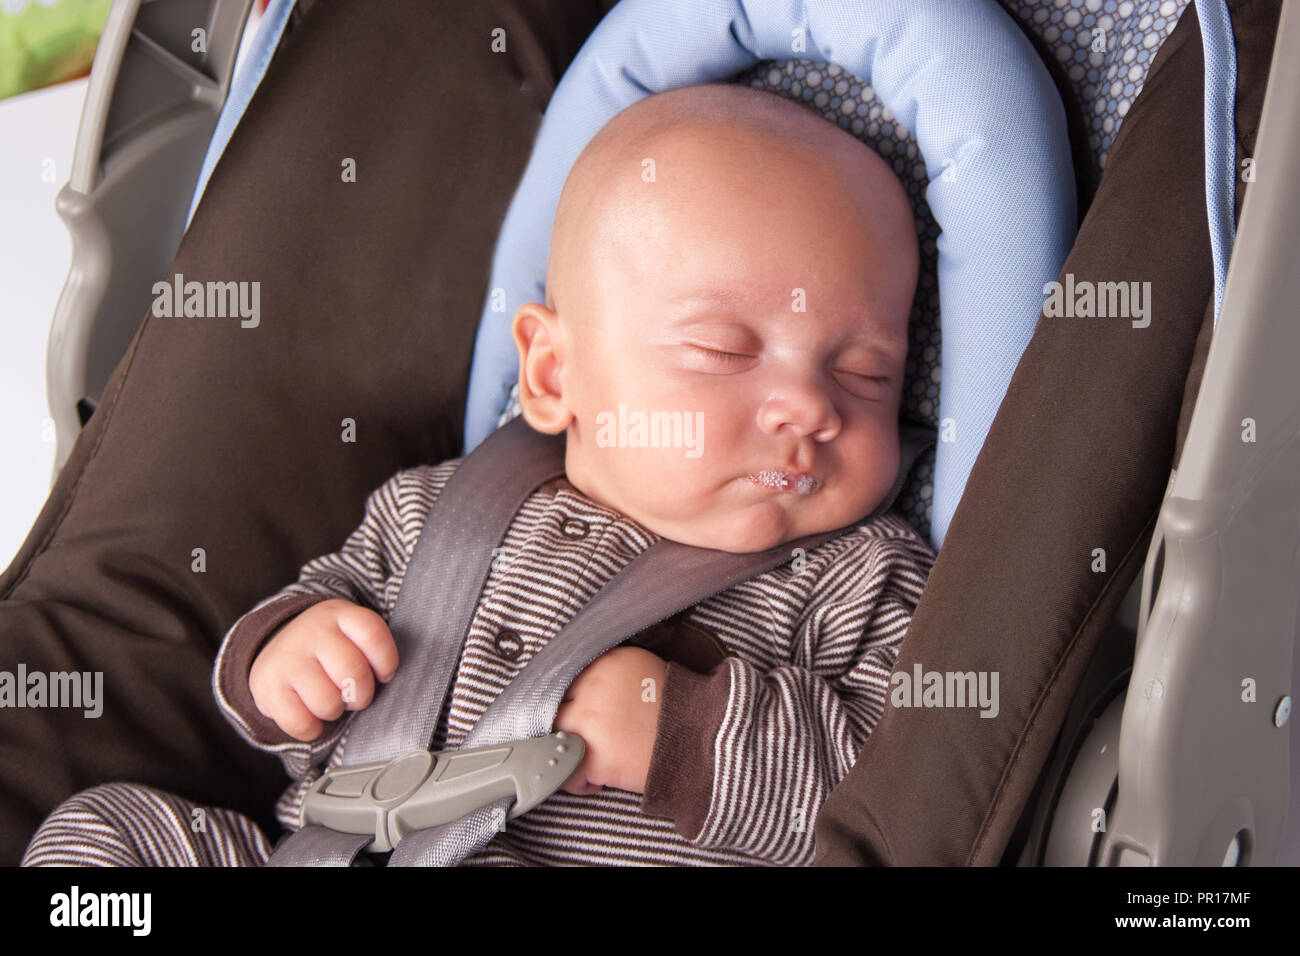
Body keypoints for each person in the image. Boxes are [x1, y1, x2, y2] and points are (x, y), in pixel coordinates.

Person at [23, 81, 934, 866]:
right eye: (724, 348)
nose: (811, 409)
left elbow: (900, 808)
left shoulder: (861, 579)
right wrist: (284, 662)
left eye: (866, 374)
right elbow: (319, 618)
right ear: (551, 375)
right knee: (110, 832)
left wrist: (681, 733)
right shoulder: (434, 510)